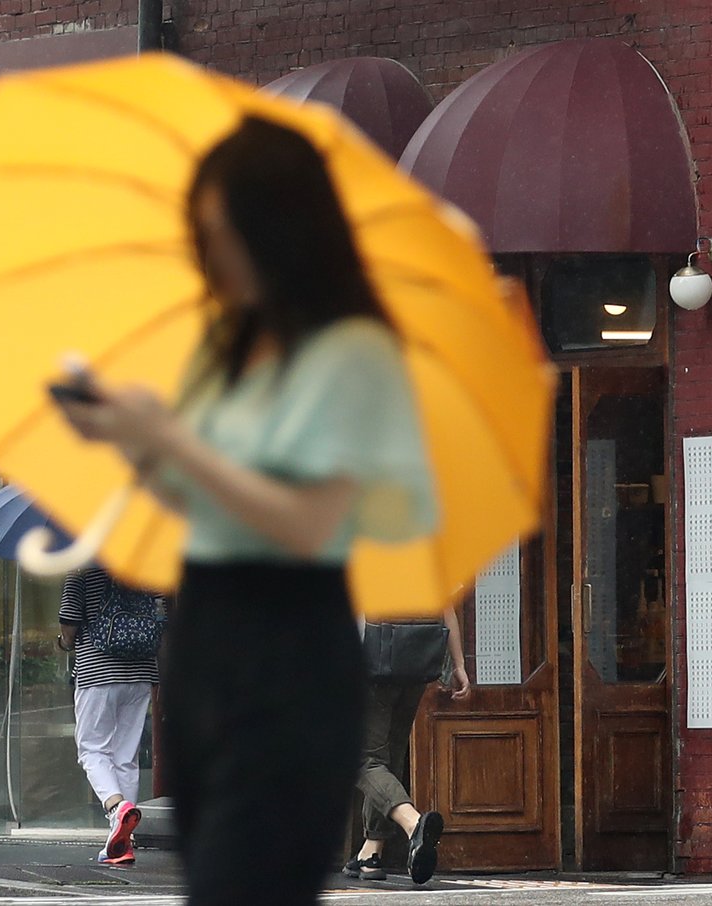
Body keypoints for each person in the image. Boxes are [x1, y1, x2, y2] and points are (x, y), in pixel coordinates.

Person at [53, 116, 437, 905]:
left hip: (290, 654)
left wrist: (175, 441)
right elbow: (198, 501)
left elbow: (312, 520)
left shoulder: (349, 351)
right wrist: (130, 442)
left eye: (223, 230)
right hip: (207, 651)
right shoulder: (227, 345)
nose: (209, 252)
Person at [345, 607, 470, 885]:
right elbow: (446, 607)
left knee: (363, 758)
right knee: (388, 756)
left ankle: (413, 824)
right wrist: (458, 665)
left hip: (374, 661)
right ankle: (371, 853)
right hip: (415, 661)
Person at [57, 566, 160, 866]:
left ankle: (117, 808)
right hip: (141, 671)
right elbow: (160, 619)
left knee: (91, 749)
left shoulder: (81, 568)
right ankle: (121, 843)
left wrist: (63, 642)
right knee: (125, 756)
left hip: (98, 672)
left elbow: (69, 624)